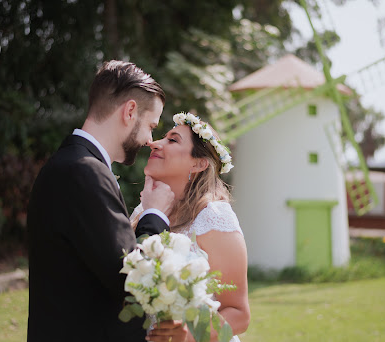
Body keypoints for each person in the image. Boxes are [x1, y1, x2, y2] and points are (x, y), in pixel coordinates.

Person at [27, 60, 176, 342]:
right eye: (151, 126)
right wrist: (154, 214)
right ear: (130, 111)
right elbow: (131, 280)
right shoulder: (85, 173)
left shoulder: (68, 163)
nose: (150, 140)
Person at [130, 112, 250, 342]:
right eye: (162, 137)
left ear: (198, 163)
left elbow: (239, 314)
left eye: (172, 140)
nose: (155, 143)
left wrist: (192, 335)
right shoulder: (141, 213)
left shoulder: (213, 217)